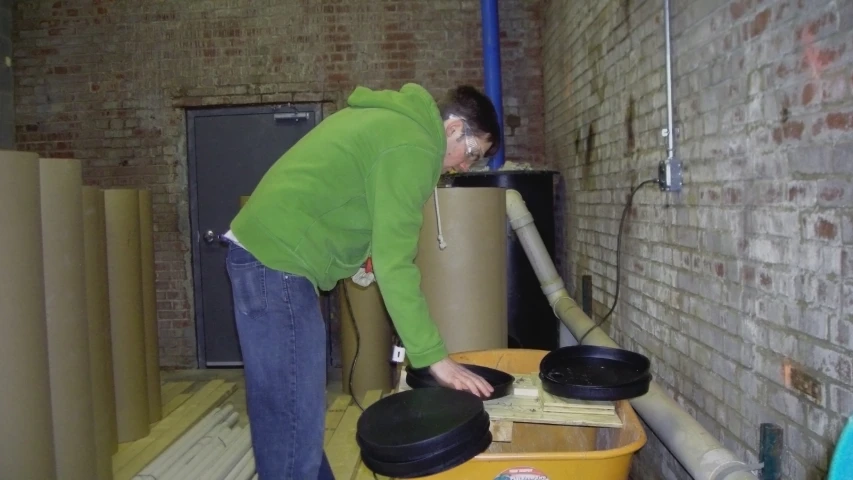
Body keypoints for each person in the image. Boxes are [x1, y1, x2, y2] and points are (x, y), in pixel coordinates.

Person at [222, 83, 502, 479]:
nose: (464, 166)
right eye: (472, 153)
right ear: (454, 128)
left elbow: (351, 196)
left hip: (266, 258)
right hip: (276, 265)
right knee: (291, 424)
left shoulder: (393, 124)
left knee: (292, 422)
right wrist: (435, 357)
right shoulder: (416, 145)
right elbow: (397, 263)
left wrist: (359, 256)